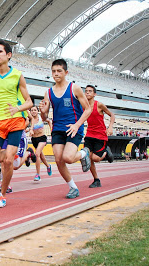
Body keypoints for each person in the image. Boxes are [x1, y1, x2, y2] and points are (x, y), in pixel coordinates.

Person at [0, 39, 33, 208]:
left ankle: (1, 195)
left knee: (8, 161)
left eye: (0, 52)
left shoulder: (17, 75)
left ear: (8, 55)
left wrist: (18, 109)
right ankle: (17, 155)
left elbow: (29, 102)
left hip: (16, 122)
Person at [39, 59, 92, 199]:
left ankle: (83, 153)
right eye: (53, 71)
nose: (56, 74)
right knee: (58, 159)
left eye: (59, 71)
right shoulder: (48, 92)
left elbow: (88, 109)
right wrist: (43, 112)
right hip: (57, 129)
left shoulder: (74, 88)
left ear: (66, 72)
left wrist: (77, 125)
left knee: (67, 158)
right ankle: (73, 187)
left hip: (73, 128)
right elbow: (44, 118)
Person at [84, 85, 115, 188]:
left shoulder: (99, 105)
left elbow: (112, 115)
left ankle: (106, 151)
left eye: (90, 91)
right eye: (86, 91)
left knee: (95, 158)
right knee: (88, 157)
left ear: (94, 94)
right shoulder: (84, 105)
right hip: (89, 134)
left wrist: (110, 127)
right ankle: (96, 180)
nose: (87, 93)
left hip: (100, 135)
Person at [28, 106, 53, 181]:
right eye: (32, 110)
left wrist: (51, 131)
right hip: (34, 139)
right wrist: (29, 130)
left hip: (42, 138)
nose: (33, 111)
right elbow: (28, 127)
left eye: (35, 110)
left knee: (37, 154)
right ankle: (48, 166)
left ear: (37, 111)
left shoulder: (41, 117)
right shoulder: (30, 119)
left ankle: (38, 174)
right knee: (41, 156)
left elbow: (49, 121)